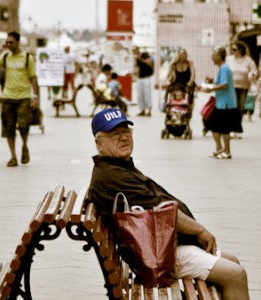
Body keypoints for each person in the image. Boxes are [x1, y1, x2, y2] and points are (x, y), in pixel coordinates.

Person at [87, 108, 250, 299]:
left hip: (160, 246)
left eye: (126, 131)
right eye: (115, 134)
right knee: (235, 275)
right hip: (158, 255)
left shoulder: (115, 166)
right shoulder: (112, 177)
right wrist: (200, 231)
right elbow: (163, 211)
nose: (123, 138)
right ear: (99, 143)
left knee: (232, 261)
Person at [0, 31, 40, 167]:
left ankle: (24, 147)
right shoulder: (6, 57)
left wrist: (35, 96)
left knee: (24, 126)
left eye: (11, 42)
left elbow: (33, 77)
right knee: (8, 128)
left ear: (18, 42)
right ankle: (13, 156)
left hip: (23, 97)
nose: (9, 44)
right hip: (8, 97)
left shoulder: (27, 57)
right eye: (7, 42)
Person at [207, 46, 242, 160]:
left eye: (214, 55)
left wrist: (211, 89)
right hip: (221, 103)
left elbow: (225, 84)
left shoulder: (224, 68)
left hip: (226, 104)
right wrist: (212, 81)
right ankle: (219, 148)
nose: (212, 57)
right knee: (213, 125)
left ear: (219, 56)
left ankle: (227, 151)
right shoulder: (221, 68)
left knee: (224, 128)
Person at [226, 42, 256, 138]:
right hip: (231, 86)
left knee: (240, 108)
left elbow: (254, 71)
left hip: (243, 86)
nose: (233, 52)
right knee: (232, 108)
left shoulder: (248, 61)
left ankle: (237, 129)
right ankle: (230, 129)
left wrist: (252, 75)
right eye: (232, 50)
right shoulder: (229, 60)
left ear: (240, 50)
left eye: (235, 49)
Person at [133, 46, 154, 116]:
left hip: (146, 78)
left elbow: (149, 62)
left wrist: (139, 58)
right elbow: (137, 67)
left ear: (138, 50)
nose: (134, 52)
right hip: (140, 78)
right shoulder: (136, 58)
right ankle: (142, 110)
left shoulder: (144, 55)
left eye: (135, 50)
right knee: (140, 95)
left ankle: (149, 110)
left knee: (147, 95)